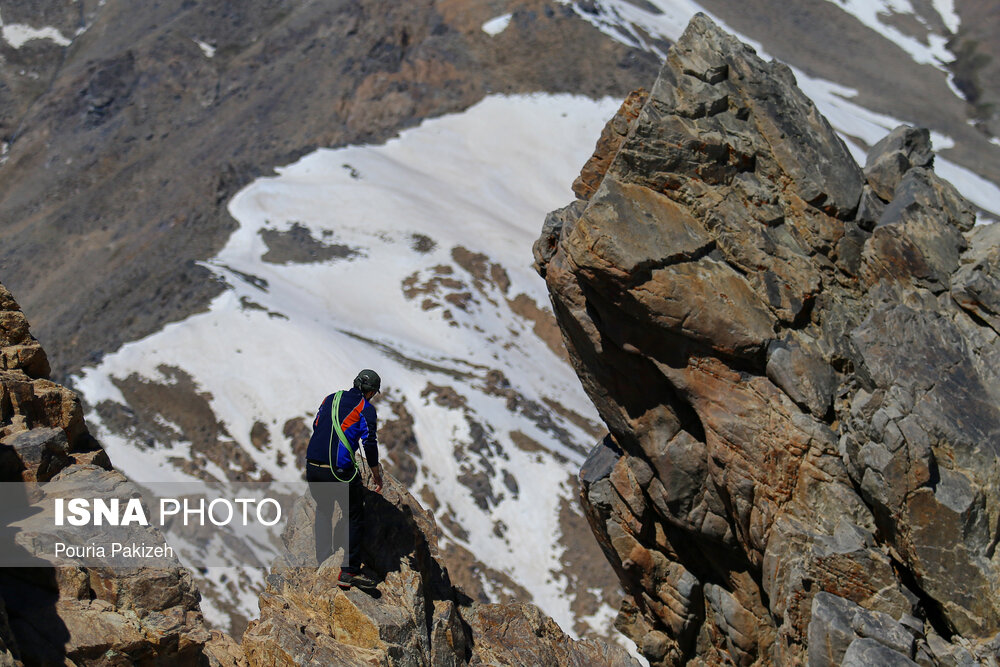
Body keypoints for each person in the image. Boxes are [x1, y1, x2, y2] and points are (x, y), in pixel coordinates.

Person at [305, 369, 384, 591]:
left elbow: (317, 424)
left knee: (323, 509)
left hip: (312, 465)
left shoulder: (330, 398)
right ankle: (349, 571)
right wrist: (375, 473)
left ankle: (323, 561)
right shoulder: (365, 409)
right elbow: (369, 442)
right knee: (354, 514)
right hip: (337, 470)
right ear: (371, 392)